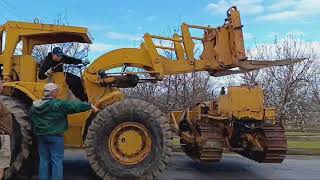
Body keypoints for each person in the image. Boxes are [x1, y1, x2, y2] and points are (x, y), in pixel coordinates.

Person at [29, 83, 99, 180]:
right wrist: (89, 106)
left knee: (44, 160)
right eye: (57, 91)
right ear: (53, 93)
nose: (58, 93)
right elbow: (75, 106)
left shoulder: (35, 106)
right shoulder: (59, 104)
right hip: (56, 136)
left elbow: (31, 118)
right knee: (56, 160)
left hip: (41, 136)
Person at [0, 81, 12, 180]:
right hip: (1, 137)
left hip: (2, 136)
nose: (2, 87)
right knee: (1, 164)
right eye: (1, 86)